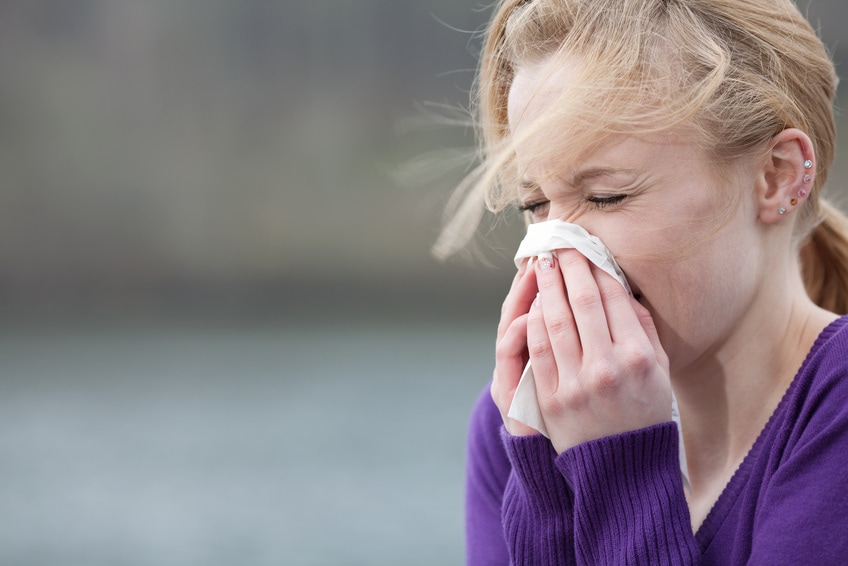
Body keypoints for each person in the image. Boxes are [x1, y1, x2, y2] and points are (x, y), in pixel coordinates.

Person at [434, 0, 848, 564]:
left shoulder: (833, 413)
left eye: (607, 197)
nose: (556, 249)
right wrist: (543, 478)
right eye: (535, 203)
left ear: (776, 177)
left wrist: (617, 465)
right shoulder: (513, 431)